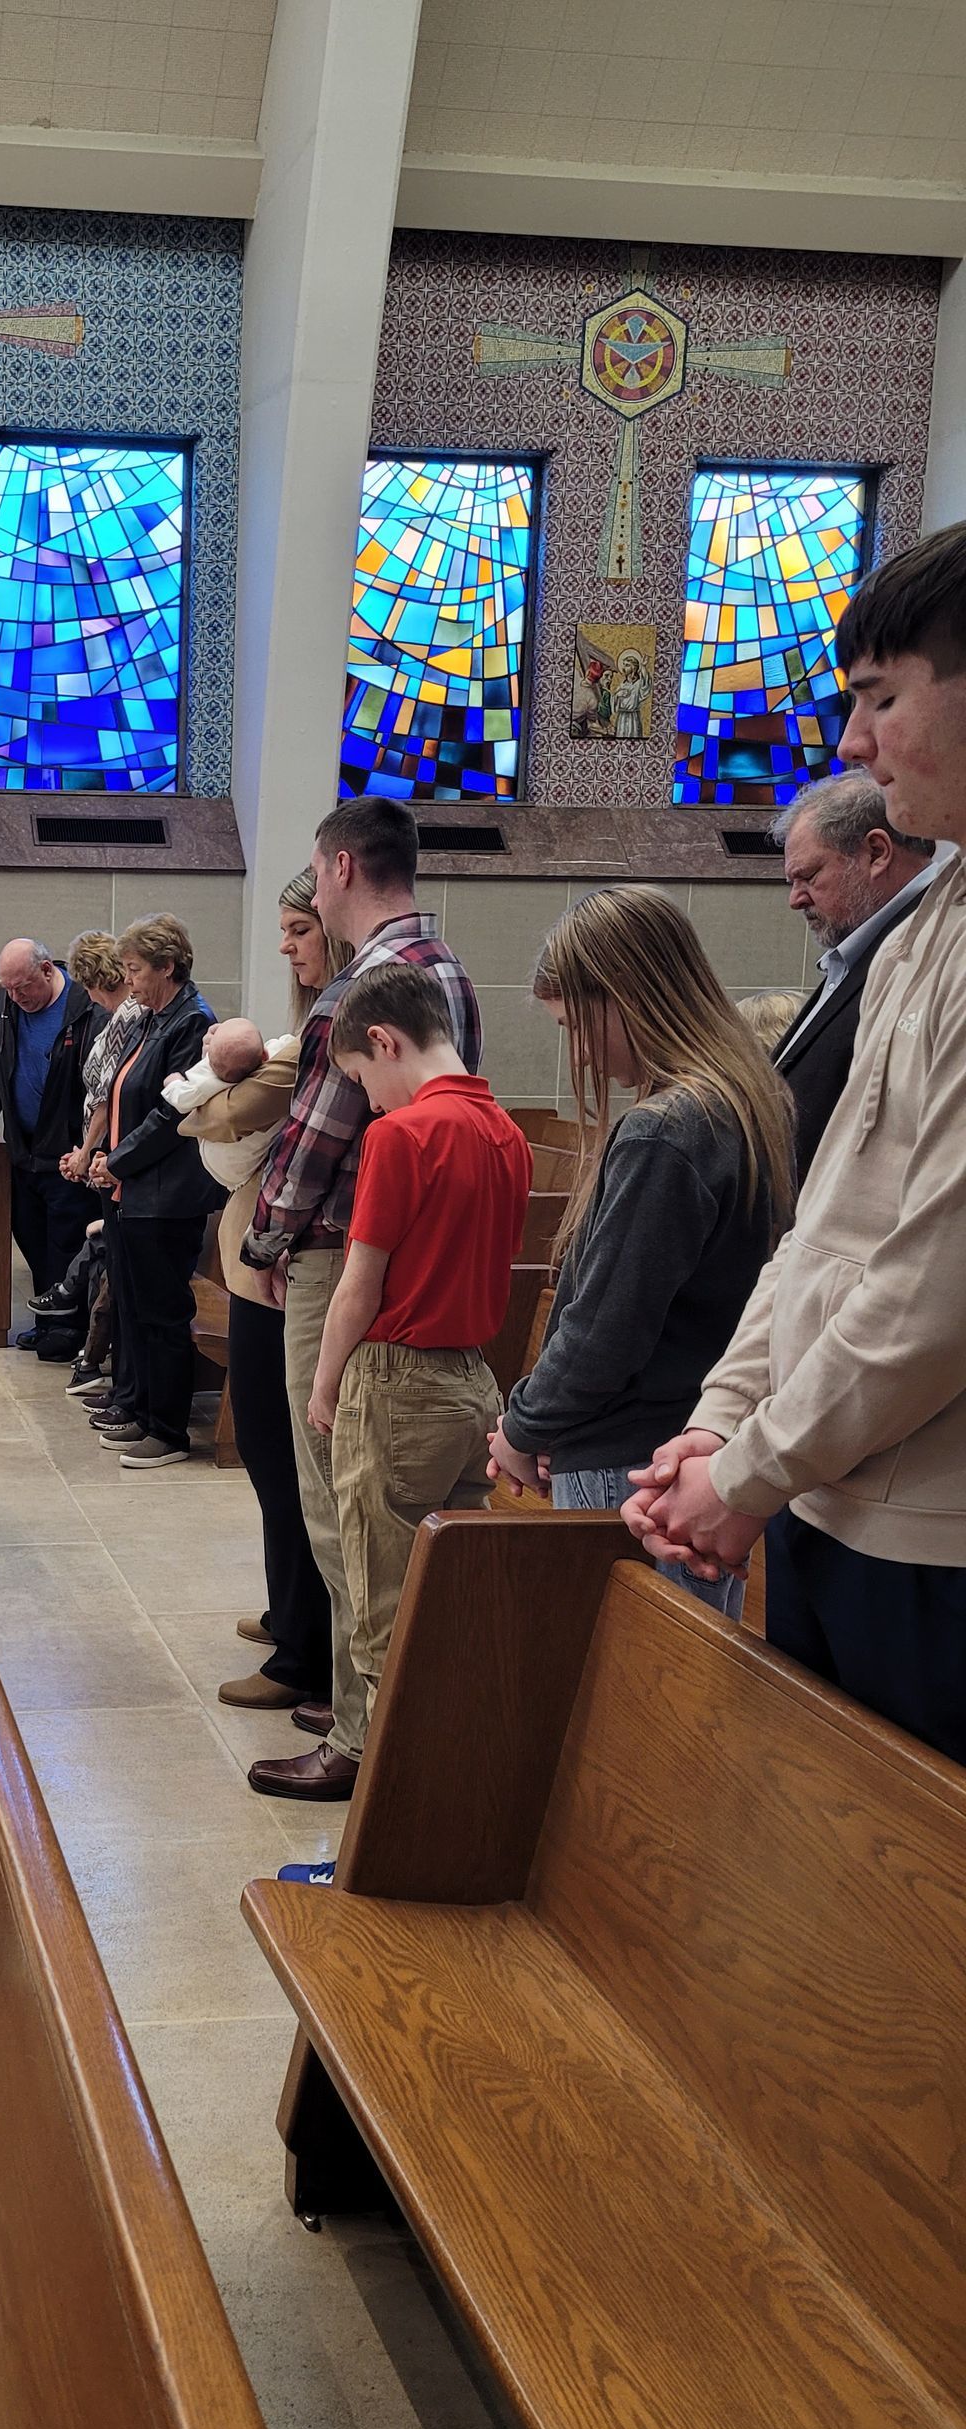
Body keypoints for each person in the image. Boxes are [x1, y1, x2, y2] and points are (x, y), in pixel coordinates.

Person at [625, 523, 966, 1763]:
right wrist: (726, 1423)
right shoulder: (925, 924)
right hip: (830, 1489)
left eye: (880, 697)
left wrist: (751, 1467)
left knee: (900, 1866)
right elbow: (824, 1221)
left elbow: (938, 1287)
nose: (851, 743)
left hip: (933, 1530)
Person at [238, 798, 480, 1803]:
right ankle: (365, 1699)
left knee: (340, 1497)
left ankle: (359, 1731)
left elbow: (315, 1138)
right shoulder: (449, 968)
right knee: (376, 1504)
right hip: (418, 1272)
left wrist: (263, 1240)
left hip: (343, 1256)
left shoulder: (367, 984)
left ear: (341, 868)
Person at [248, 965, 525, 1790]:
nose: (368, 1101)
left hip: (397, 1381)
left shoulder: (401, 1135)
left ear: (384, 1040)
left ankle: (368, 1763)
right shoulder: (503, 1130)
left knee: (378, 1595)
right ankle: (437, 1750)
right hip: (472, 1380)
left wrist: (324, 1384)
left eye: (362, 1079)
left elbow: (358, 1286)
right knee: (445, 1592)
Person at [485, 885, 794, 1622]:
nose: (578, 1052)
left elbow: (605, 1326)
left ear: (623, 994)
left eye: (575, 1025)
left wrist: (523, 1428)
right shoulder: (748, 1100)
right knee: (678, 1660)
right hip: (690, 1447)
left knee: (623, 1670)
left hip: (631, 1461)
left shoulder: (668, 1128)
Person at [176, 873, 342, 1714]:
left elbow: (217, 1120)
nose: (285, 945)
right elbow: (208, 1117)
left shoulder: (321, 1034)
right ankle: (289, 1612)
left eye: (298, 930)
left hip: (284, 1270)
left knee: (284, 1460)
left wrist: (214, 1108)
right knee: (270, 1458)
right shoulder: (304, 1031)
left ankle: (304, 1653)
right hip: (257, 1267)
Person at [91, 915, 223, 1469]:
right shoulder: (153, 1017)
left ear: (167, 966)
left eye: (135, 969)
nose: (129, 980)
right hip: (134, 1190)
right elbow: (124, 1092)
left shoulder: (192, 1021)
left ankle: (168, 1431)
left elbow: (172, 1115)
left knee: (163, 1313)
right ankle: (142, 1411)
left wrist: (117, 1161)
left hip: (167, 1195)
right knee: (137, 1307)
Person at [766, 773, 940, 1179]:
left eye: (808, 876)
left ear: (877, 852)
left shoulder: (927, 945)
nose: (796, 899)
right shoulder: (858, 950)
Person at [0, 938, 96, 1351]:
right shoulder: (4, 1004)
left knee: (67, 1241)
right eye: (8, 988)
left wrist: (88, 1149)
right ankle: (47, 1322)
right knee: (32, 1237)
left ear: (46, 971)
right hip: (23, 1150)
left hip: (68, 1152)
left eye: (22, 987)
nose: (16, 997)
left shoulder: (82, 1005)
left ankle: (70, 1330)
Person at [30, 933, 143, 1389]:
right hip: (106, 1154)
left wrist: (85, 1153)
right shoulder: (116, 1016)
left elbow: (104, 1098)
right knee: (103, 1255)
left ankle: (100, 1364)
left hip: (115, 1159)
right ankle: (95, 1358)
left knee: (111, 1263)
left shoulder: (125, 1017)